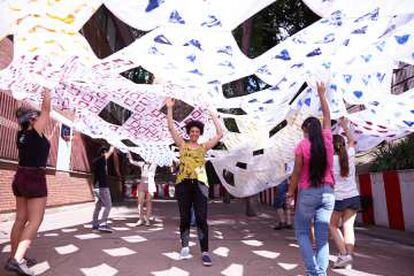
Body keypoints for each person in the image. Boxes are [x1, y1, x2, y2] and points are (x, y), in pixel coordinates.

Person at [165, 97, 223, 266]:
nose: (194, 134)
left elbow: (220, 134)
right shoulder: (182, 145)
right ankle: (184, 247)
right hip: (183, 184)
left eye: (197, 132)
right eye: (192, 131)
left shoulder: (204, 147)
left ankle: (205, 252)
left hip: (200, 185)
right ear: (188, 133)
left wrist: (213, 114)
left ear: (200, 133)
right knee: (184, 217)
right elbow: (171, 127)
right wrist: (170, 108)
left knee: (201, 218)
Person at [287, 82, 335, 276]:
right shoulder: (328, 138)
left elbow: (296, 173)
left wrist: (290, 193)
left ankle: (313, 271)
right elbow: (327, 116)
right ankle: (320, 274)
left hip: (308, 193)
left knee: (302, 232)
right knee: (322, 237)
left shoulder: (302, 146)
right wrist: (322, 95)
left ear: (306, 130)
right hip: (328, 194)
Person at [5, 89, 52, 276]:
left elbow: (20, 111)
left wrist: (19, 96)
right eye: (37, 116)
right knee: (35, 220)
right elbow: (47, 110)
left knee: (20, 219)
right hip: (34, 178)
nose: (41, 118)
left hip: (20, 176)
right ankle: (17, 260)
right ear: (32, 119)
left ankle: (14, 257)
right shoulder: (34, 131)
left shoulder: (21, 133)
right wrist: (48, 89)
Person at [329, 118, 360, 269]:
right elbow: (352, 141)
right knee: (348, 226)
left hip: (338, 198)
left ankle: (344, 255)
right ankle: (348, 259)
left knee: (333, 226)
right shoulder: (350, 154)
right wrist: (345, 126)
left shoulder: (330, 160)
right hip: (353, 196)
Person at [127, 152, 157, 226]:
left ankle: (147, 219)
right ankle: (140, 219)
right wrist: (128, 153)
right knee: (140, 202)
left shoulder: (155, 163)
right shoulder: (142, 164)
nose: (147, 158)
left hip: (150, 183)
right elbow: (132, 161)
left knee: (148, 202)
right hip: (142, 182)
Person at [92, 145, 116, 233]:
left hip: (96, 187)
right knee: (108, 205)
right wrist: (114, 144)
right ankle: (103, 224)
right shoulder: (101, 159)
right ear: (103, 153)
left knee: (98, 206)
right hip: (102, 187)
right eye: (105, 153)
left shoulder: (96, 161)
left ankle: (95, 225)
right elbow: (110, 152)